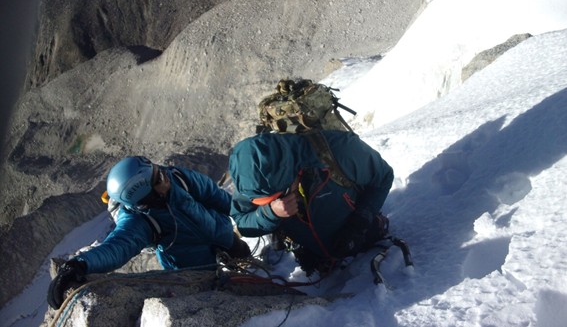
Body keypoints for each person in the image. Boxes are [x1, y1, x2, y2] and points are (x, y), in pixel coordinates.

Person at [47, 156, 250, 309]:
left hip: (223, 237)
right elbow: (118, 247)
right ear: (147, 197)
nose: (164, 174)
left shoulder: (177, 178)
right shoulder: (140, 221)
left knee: (243, 257)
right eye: (158, 178)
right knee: (211, 295)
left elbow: (213, 195)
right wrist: (78, 265)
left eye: (157, 170)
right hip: (190, 265)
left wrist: (248, 218)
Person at [229, 130, 393, 275]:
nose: (276, 201)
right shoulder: (250, 181)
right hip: (319, 262)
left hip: (366, 243)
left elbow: (383, 177)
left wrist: (360, 222)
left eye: (278, 196)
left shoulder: (341, 150)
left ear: (293, 174)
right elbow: (242, 222)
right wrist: (269, 213)